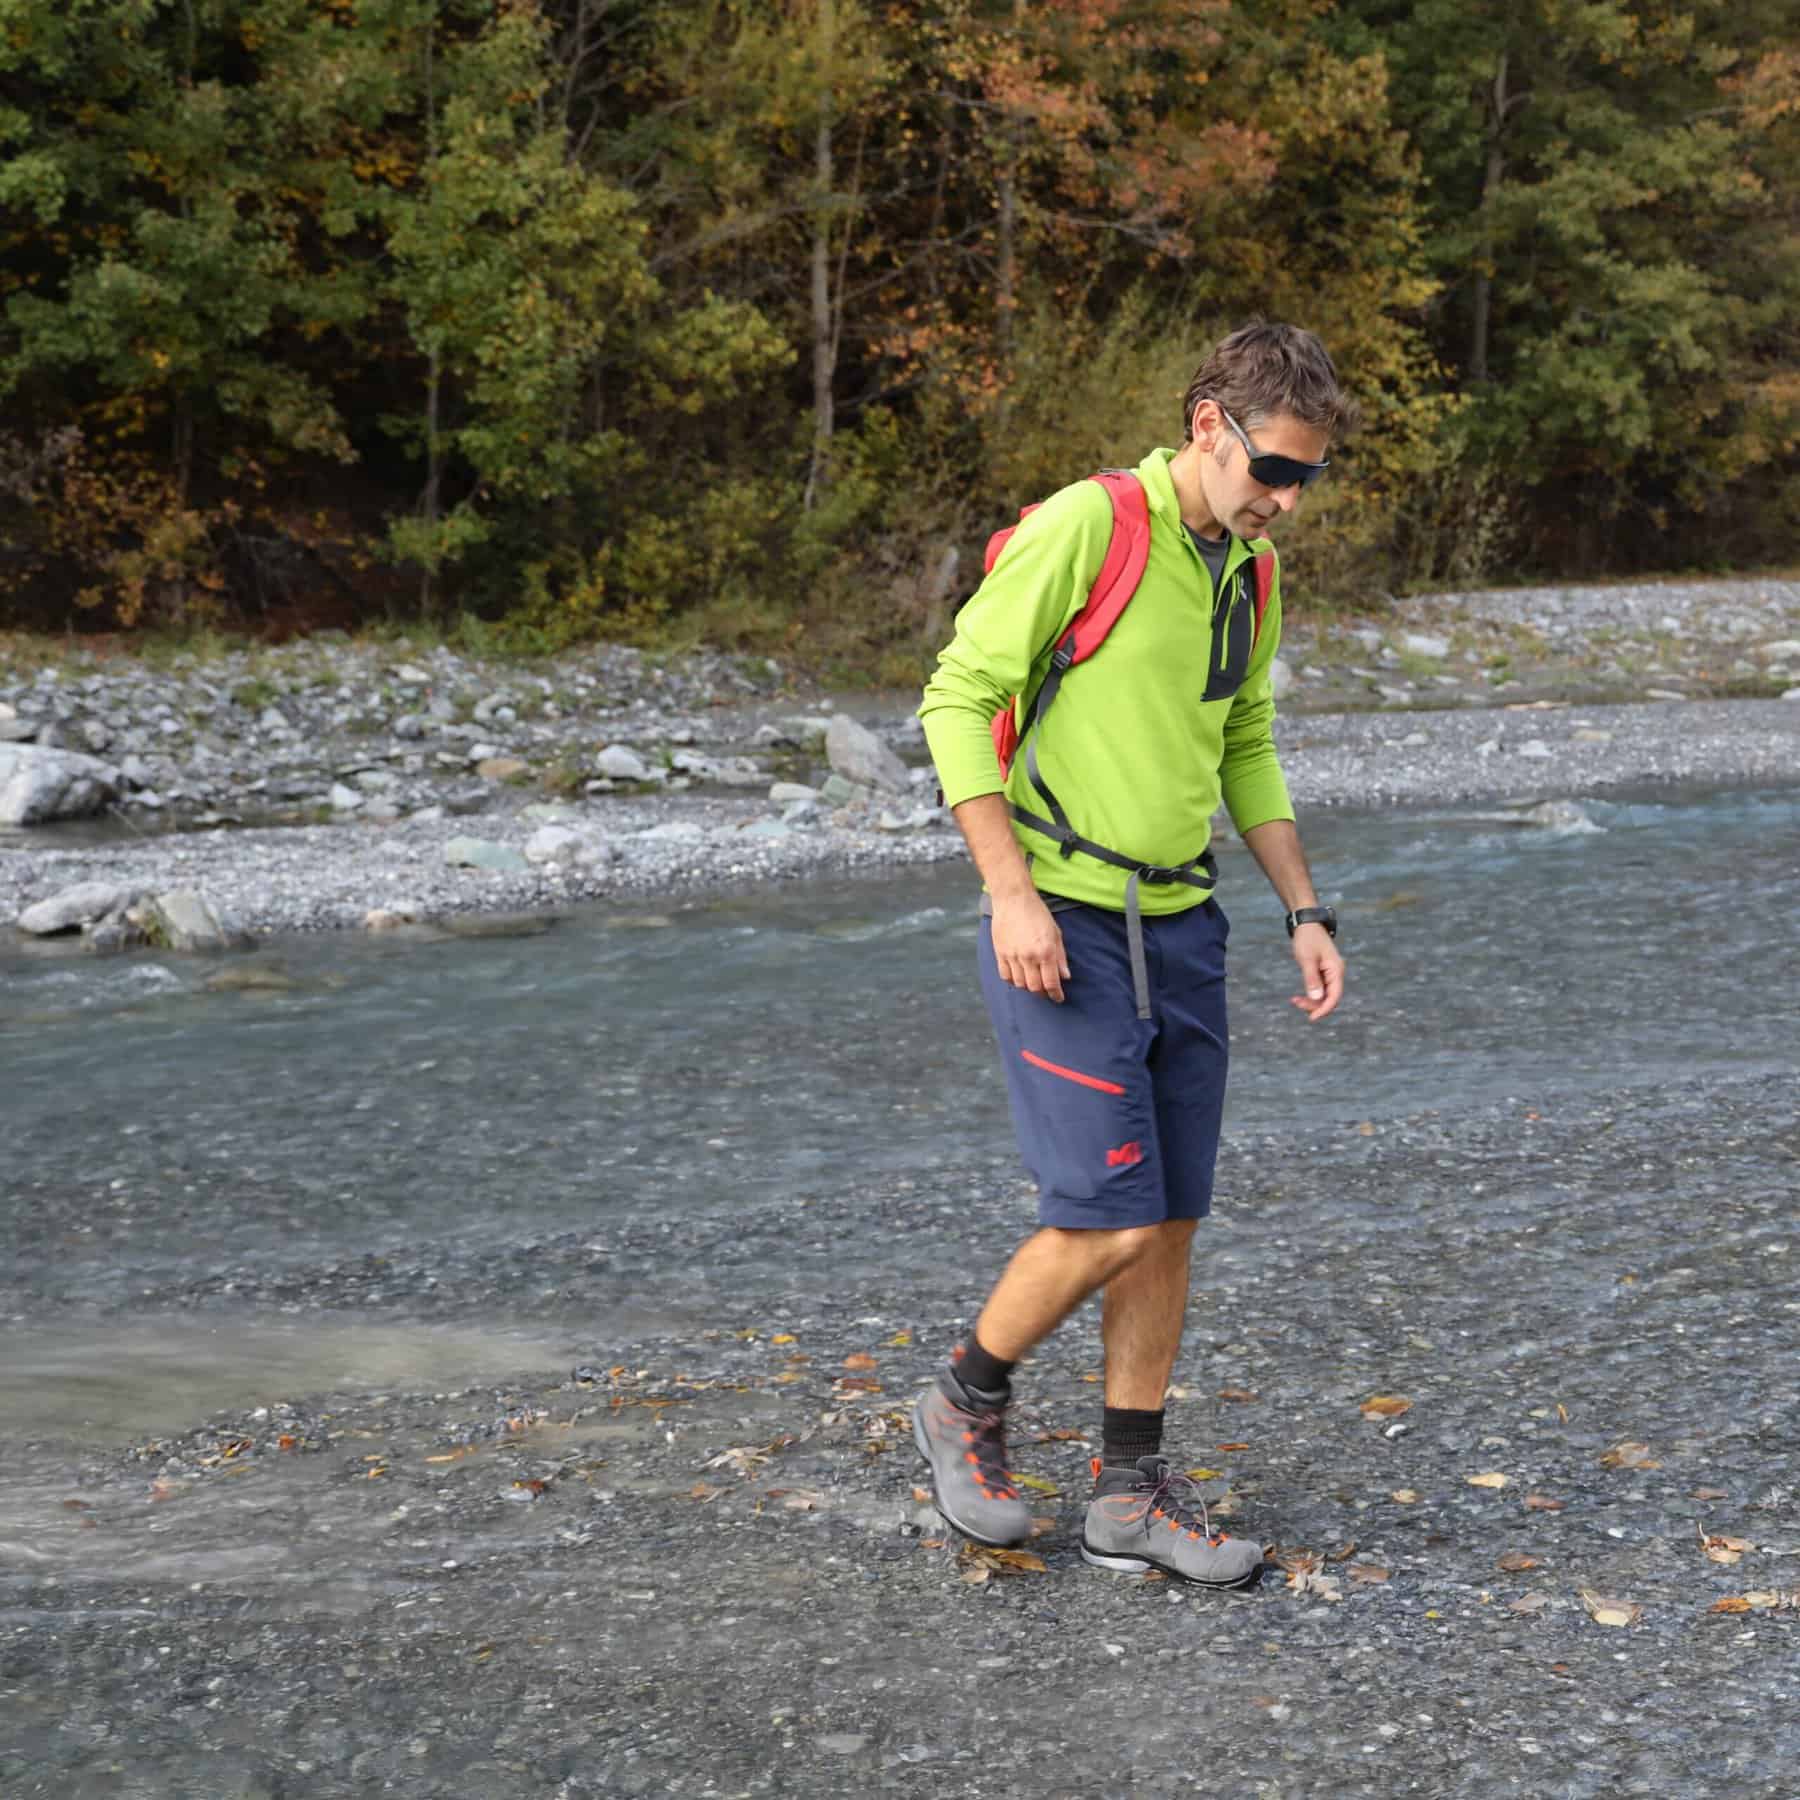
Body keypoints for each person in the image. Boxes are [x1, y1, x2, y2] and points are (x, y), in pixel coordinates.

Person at [913, 320, 1356, 1590]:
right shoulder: (1090, 527)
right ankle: (960, 1399)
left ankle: (1128, 1492)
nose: (1284, 501)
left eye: (1306, 481)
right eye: (1274, 469)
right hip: (1059, 916)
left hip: (1185, 924)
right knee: (1104, 1214)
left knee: (1167, 1219)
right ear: (1209, 423)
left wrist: (1305, 910)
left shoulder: (1249, 574)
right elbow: (954, 699)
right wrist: (1009, 894)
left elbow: (1246, 747)